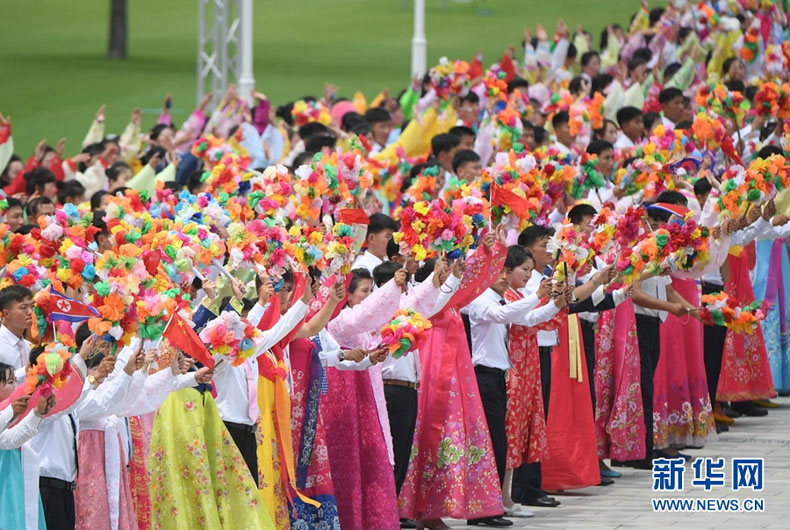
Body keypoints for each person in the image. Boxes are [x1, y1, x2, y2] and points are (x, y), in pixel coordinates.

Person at [399, 230, 506, 529]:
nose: (450, 273)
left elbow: (476, 284)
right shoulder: (424, 298)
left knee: (450, 437)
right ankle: (421, 510)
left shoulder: (450, 298)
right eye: (444, 267)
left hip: (454, 378)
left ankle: (431, 509)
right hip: (435, 375)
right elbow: (458, 287)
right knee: (432, 436)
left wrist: (487, 253)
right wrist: (473, 260)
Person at [467, 244, 567, 523]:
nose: (504, 276)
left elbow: (527, 318)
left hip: (498, 377)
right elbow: (504, 316)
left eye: (507, 271)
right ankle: (484, 508)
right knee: (493, 445)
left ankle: (493, 504)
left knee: (500, 445)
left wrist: (554, 305)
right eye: (499, 271)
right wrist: (536, 296)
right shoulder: (481, 300)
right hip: (485, 376)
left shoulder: (501, 300)